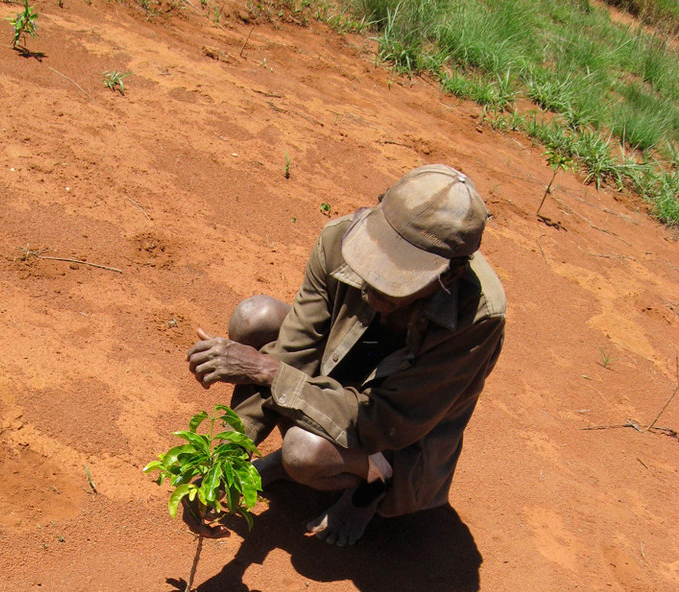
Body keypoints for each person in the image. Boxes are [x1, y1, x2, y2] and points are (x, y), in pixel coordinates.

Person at [187, 164, 505, 546]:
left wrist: (267, 371)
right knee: (256, 318)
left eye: (394, 282)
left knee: (305, 451)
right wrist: (219, 466)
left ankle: (372, 483)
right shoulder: (338, 239)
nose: (371, 285)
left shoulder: (478, 318)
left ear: (449, 276)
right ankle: (282, 466)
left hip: (399, 430)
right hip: (337, 376)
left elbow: (386, 421)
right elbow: (294, 352)